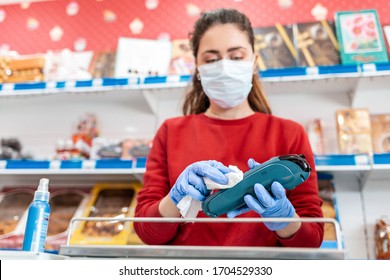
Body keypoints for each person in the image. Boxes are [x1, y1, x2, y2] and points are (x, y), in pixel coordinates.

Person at [134, 8, 324, 247]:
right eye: (212, 60)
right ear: (198, 69)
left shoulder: (289, 133)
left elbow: (312, 240)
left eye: (236, 57)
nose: (224, 67)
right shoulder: (170, 132)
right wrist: (176, 198)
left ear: (254, 62)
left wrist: (283, 217)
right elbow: (147, 233)